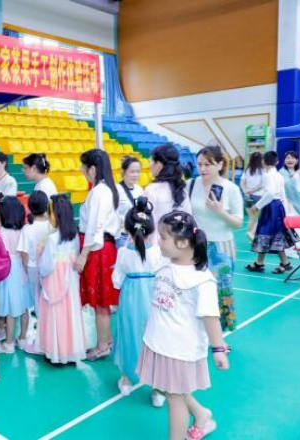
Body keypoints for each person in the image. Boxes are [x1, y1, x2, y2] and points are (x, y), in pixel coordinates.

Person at [138, 211, 229, 440]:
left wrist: (218, 348)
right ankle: (202, 414)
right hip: (158, 341)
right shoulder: (164, 263)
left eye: (163, 237)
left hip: (179, 349)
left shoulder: (202, 280)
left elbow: (210, 317)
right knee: (170, 388)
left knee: (174, 397)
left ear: (183, 243)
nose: (158, 241)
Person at [111, 197, 163, 400]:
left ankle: (126, 379)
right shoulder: (158, 252)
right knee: (155, 337)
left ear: (127, 228)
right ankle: (157, 389)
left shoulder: (123, 253)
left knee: (128, 334)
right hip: (154, 299)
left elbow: (116, 282)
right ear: (152, 229)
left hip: (130, 300)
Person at [188, 146, 243, 332]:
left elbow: (238, 223)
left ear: (220, 165)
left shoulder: (231, 189)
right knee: (195, 290)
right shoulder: (190, 185)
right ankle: (197, 329)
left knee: (220, 291)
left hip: (221, 248)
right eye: (200, 164)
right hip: (196, 246)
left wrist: (220, 212)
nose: (202, 169)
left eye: (208, 164)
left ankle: (217, 333)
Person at [76, 149, 121, 361]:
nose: (81, 170)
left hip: (97, 249)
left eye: (83, 166)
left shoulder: (99, 192)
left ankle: (103, 345)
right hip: (102, 247)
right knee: (101, 302)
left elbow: (95, 227)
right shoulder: (106, 189)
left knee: (101, 303)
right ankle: (106, 341)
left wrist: (83, 255)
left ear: (92, 169)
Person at [38, 194, 86, 364]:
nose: (48, 216)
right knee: (69, 314)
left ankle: (56, 352)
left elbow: (46, 266)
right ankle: (70, 351)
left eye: (50, 212)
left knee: (55, 314)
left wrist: (40, 257)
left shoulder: (52, 238)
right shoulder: (74, 235)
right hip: (70, 281)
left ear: (57, 215)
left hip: (54, 281)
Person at [245, 151, 297, 274]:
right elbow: (282, 194)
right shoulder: (279, 175)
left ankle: (279, 263)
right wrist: (284, 208)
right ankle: (262, 262)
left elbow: (270, 194)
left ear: (263, 162)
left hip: (271, 207)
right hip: (278, 206)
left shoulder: (267, 176)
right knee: (273, 234)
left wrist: (257, 205)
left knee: (267, 233)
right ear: (277, 162)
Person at [17, 190, 52, 353]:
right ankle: (48, 338)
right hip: (49, 267)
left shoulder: (27, 229)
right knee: (48, 300)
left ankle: (41, 341)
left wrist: (26, 269)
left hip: (32, 267)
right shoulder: (51, 227)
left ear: (30, 207)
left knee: (37, 302)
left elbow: (23, 253)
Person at [0, 196, 31, 354]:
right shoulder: (24, 230)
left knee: (11, 309)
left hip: (9, 270)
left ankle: (9, 343)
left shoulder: (3, 231)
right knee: (24, 307)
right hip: (22, 269)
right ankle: (22, 339)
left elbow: (1, 252)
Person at [143, 144, 191, 244]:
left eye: (151, 161)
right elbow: (188, 219)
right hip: (178, 245)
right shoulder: (182, 189)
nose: (149, 165)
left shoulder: (152, 190)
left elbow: (145, 223)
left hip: (157, 246)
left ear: (159, 165)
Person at [116, 156, 144, 247]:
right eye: (132, 171)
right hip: (122, 236)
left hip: (137, 235)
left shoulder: (140, 189)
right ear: (123, 172)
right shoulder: (116, 189)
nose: (135, 175)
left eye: (138, 171)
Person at [240, 152, 264, 242]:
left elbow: (242, 182)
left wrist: (246, 191)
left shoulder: (247, 170)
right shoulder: (262, 170)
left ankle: (250, 237)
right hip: (259, 197)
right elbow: (262, 184)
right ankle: (252, 234)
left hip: (247, 197)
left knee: (251, 217)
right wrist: (253, 191)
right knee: (261, 218)